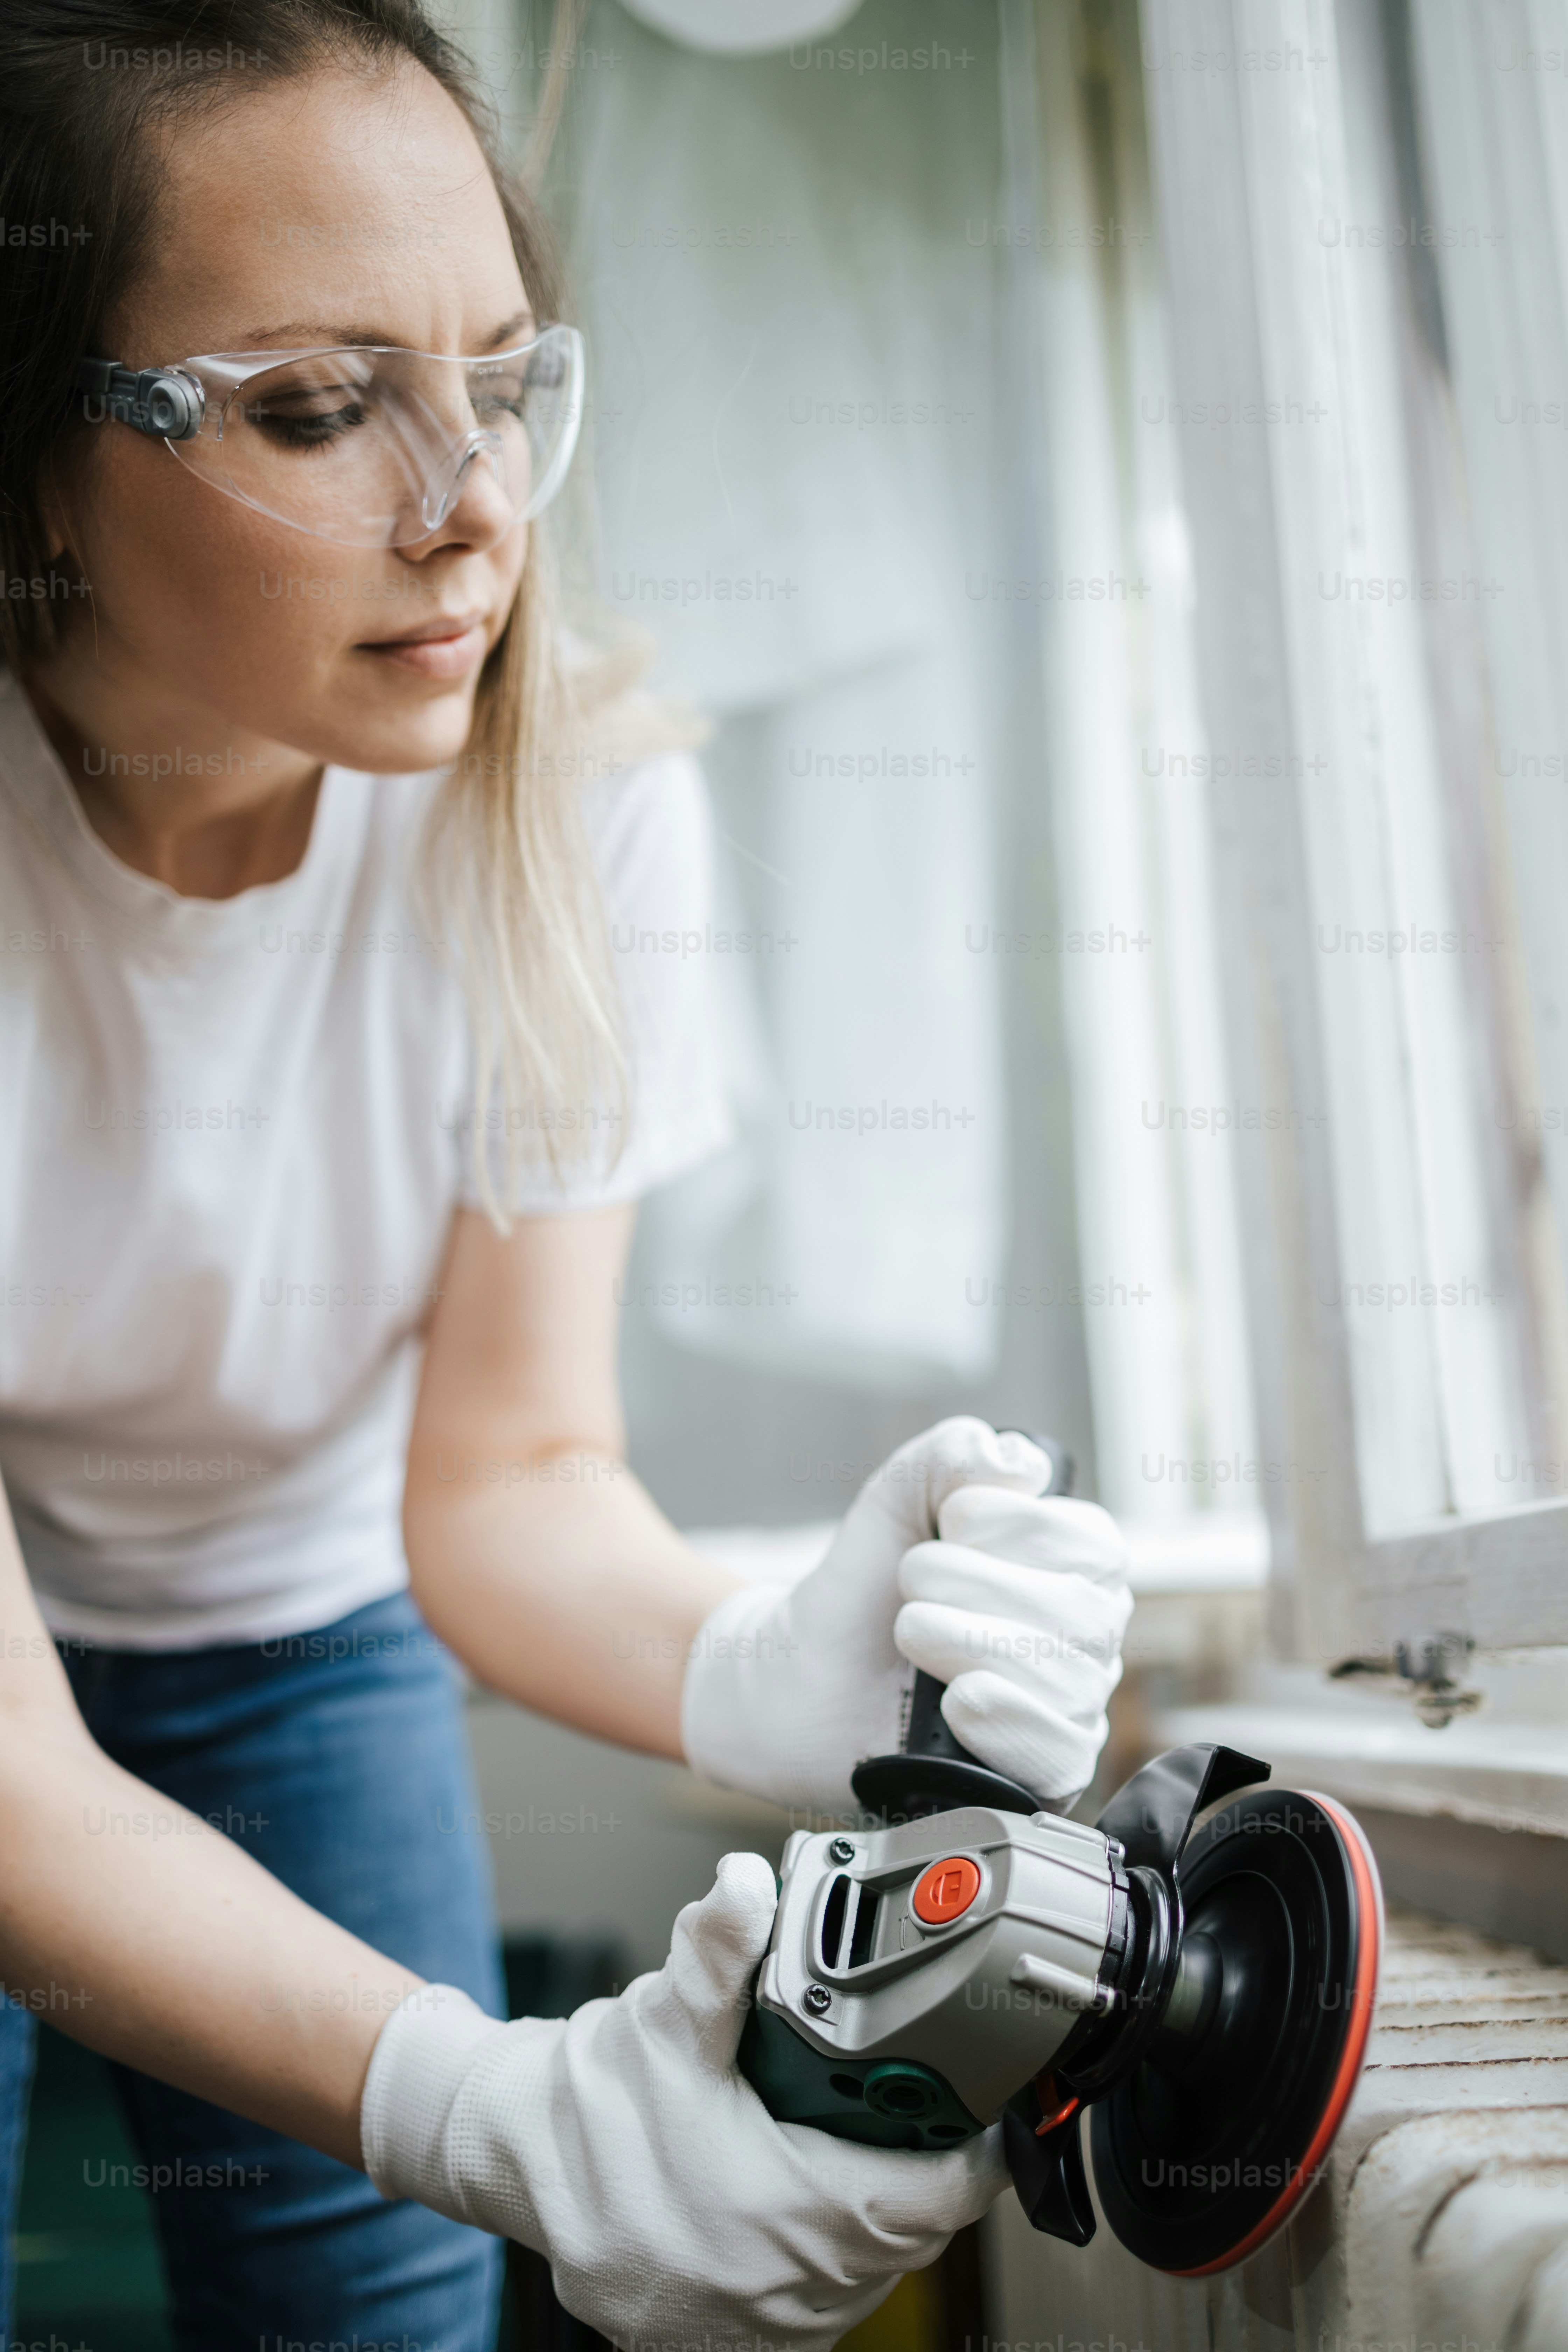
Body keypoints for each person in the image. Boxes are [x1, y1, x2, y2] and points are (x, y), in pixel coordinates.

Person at [0, 4, 1134, 2346]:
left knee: (389, 2315)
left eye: (503, 381)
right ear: (38, 461)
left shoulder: (580, 794)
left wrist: (754, 1673)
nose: (474, 505)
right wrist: (480, 2100)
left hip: (303, 1617)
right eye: (318, 408)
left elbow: (509, 1475)